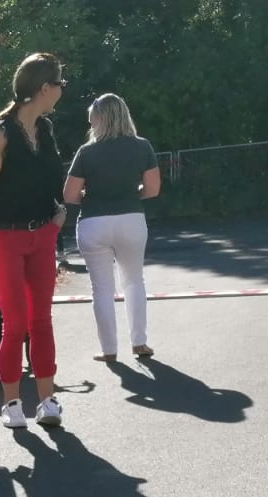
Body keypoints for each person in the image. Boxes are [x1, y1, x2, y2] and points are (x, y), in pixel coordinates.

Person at [0, 52, 70, 430]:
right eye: (60, 83)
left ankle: (47, 400)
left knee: (42, 320)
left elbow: (50, 184)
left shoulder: (45, 131)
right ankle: (11, 403)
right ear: (44, 88)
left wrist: (56, 219)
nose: (62, 90)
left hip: (41, 235)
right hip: (4, 238)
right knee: (15, 324)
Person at [65, 93, 161, 361]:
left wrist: (95, 197)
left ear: (99, 120)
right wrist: (130, 195)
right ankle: (139, 343)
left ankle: (109, 350)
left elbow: (70, 194)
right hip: (131, 219)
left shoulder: (86, 152)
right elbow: (153, 189)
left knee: (102, 289)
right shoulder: (142, 147)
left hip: (93, 223)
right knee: (134, 281)